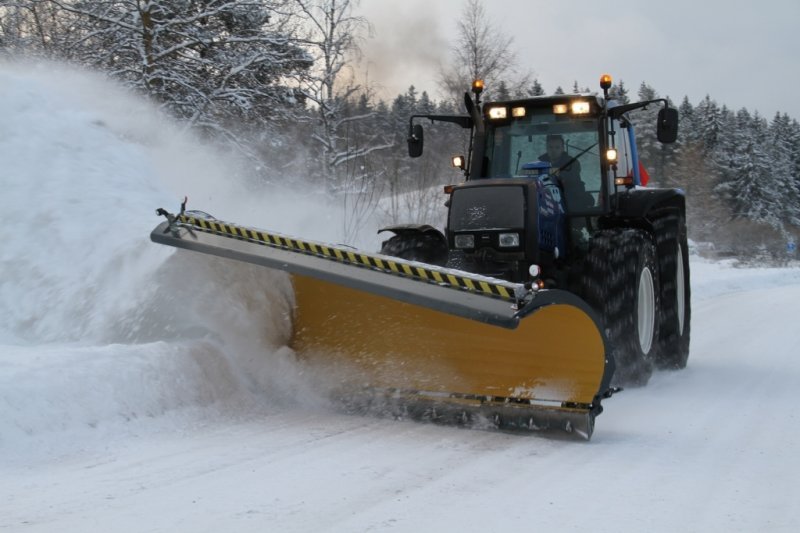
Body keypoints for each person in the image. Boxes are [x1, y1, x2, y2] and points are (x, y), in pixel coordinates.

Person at [538, 134, 593, 210]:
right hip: (547, 203)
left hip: (573, 204)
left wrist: (551, 174)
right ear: (546, 148)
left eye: (557, 147)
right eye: (550, 147)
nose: (553, 150)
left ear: (563, 148)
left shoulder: (572, 163)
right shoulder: (539, 163)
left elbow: (569, 176)